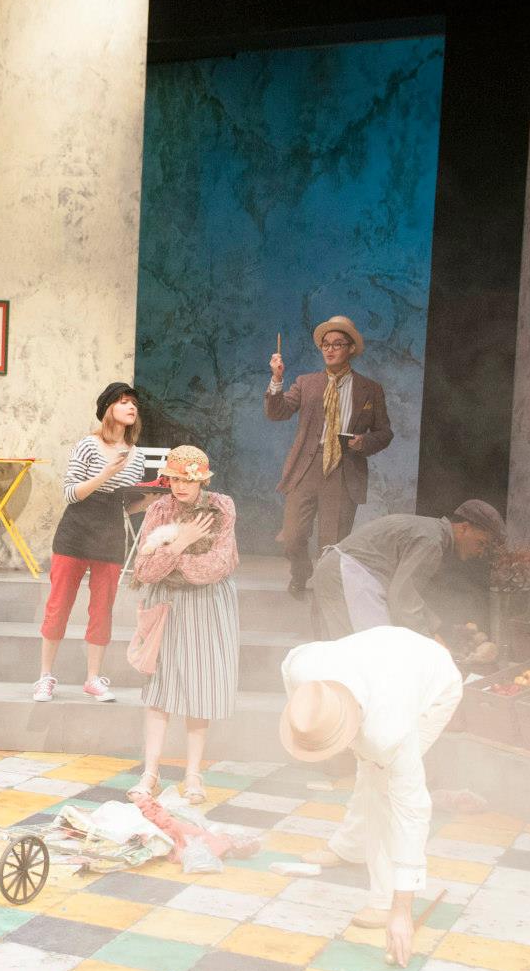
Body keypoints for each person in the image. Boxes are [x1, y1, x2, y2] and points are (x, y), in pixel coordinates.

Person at [280, 626, 463, 965]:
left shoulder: (387, 732)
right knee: (369, 763)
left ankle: (383, 900)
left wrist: (402, 909)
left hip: (434, 680)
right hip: (384, 659)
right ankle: (350, 847)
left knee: (382, 783)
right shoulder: (301, 670)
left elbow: (412, 811)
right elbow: (300, 693)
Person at [129, 446, 240, 805]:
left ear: (202, 480)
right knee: (159, 688)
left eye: (187, 480)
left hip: (206, 606)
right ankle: (150, 773)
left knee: (200, 688)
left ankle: (193, 774)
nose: (179, 486)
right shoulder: (160, 509)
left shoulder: (221, 507)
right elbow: (144, 570)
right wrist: (180, 544)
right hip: (166, 604)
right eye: (174, 479)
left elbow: (217, 566)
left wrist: (171, 562)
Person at [34, 381, 145, 703]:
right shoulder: (88, 445)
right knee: (58, 606)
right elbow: (71, 493)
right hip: (76, 531)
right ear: (108, 408)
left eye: (133, 402)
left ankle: (93, 679)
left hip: (110, 534)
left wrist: (149, 501)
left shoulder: (136, 455)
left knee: (102, 610)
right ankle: (44, 677)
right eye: (123, 401)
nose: (131, 407)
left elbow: (126, 505)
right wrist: (106, 473)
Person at [266, 316, 393, 596]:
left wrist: (363, 442)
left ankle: (327, 591)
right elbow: (277, 412)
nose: (330, 349)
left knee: (332, 541)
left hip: (344, 468)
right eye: (325, 344)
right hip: (307, 466)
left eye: (337, 344)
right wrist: (277, 379)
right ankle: (301, 573)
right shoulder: (306, 382)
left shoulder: (370, 389)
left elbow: (385, 433)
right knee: (293, 536)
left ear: (351, 348)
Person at [312, 500, 504, 640]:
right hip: (348, 575)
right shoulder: (432, 541)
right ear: (464, 528)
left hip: (346, 574)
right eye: (481, 543)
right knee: (369, 653)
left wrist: (436, 628)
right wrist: (429, 642)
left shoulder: (432, 533)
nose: (480, 552)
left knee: (354, 655)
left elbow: (407, 594)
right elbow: (403, 600)